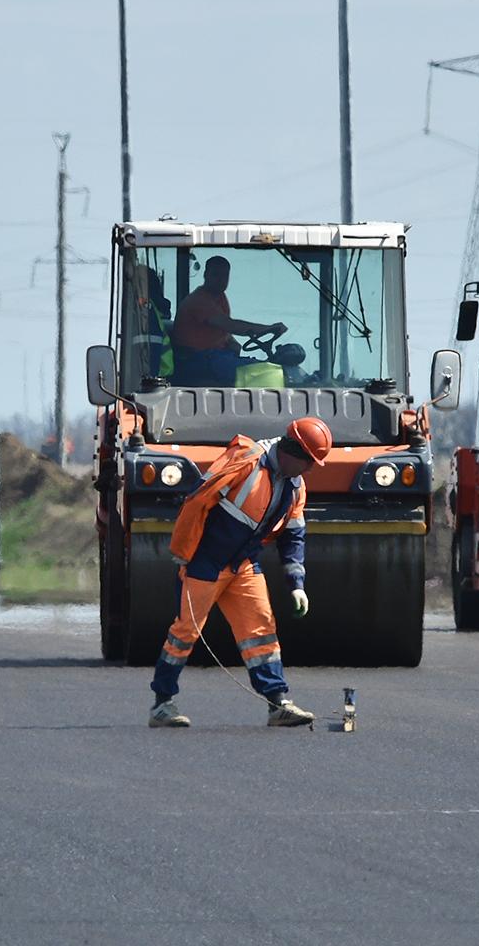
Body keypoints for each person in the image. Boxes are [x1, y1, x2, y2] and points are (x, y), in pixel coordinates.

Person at [148, 416, 333, 729]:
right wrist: (182, 554)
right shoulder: (244, 462)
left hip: (243, 565)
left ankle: (278, 704)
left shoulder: (295, 486)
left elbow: (293, 534)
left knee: (261, 631)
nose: (310, 470)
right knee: (185, 635)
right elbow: (196, 503)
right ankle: (162, 706)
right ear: (291, 452)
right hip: (206, 564)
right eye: (308, 462)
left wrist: (297, 584)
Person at [171, 256, 287, 386]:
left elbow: (220, 329)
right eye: (216, 275)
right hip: (196, 360)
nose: (220, 280)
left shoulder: (219, 298)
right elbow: (230, 325)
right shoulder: (199, 300)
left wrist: (230, 341)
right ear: (205, 275)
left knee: (270, 368)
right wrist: (268, 328)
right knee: (267, 374)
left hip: (214, 358)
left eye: (224, 276)